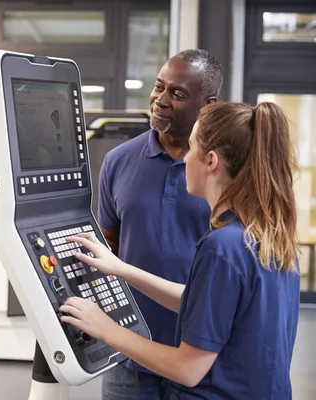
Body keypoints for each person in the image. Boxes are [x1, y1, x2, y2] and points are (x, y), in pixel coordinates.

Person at [61, 101, 300, 399]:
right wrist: (120, 268)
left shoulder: (222, 248)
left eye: (191, 149)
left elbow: (188, 368)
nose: (184, 159)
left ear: (211, 161)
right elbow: (199, 303)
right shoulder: (267, 238)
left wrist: (105, 328)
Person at [96, 49, 224, 398]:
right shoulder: (117, 162)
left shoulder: (221, 171)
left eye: (178, 94)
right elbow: (110, 249)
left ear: (208, 105)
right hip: (131, 352)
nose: (161, 100)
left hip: (202, 353)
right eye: (158, 87)